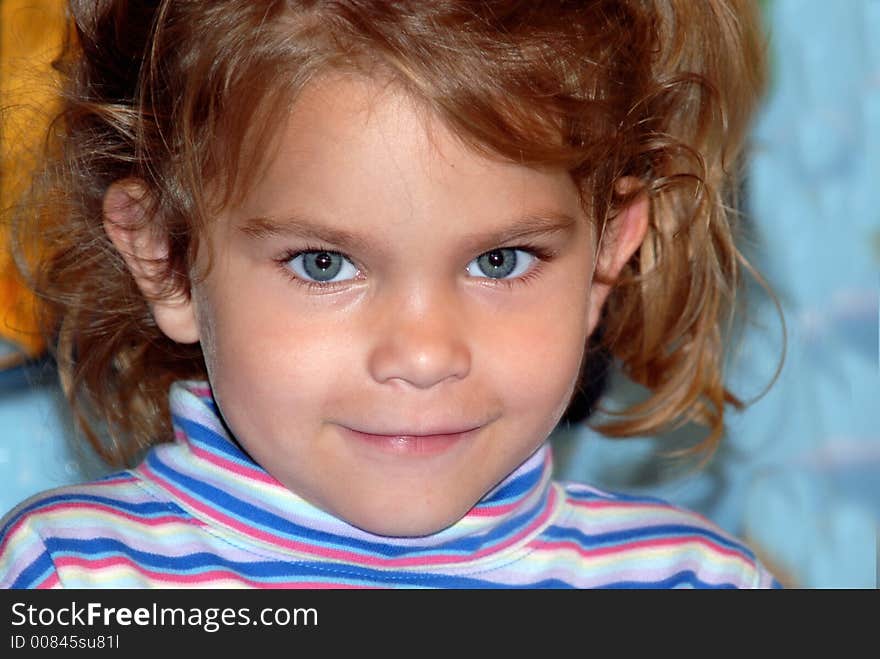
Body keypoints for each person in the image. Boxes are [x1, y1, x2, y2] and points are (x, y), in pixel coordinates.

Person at [0, 0, 780, 588]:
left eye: (501, 261)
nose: (424, 354)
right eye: (324, 265)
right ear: (166, 256)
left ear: (608, 254)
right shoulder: (71, 577)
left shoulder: (695, 583)